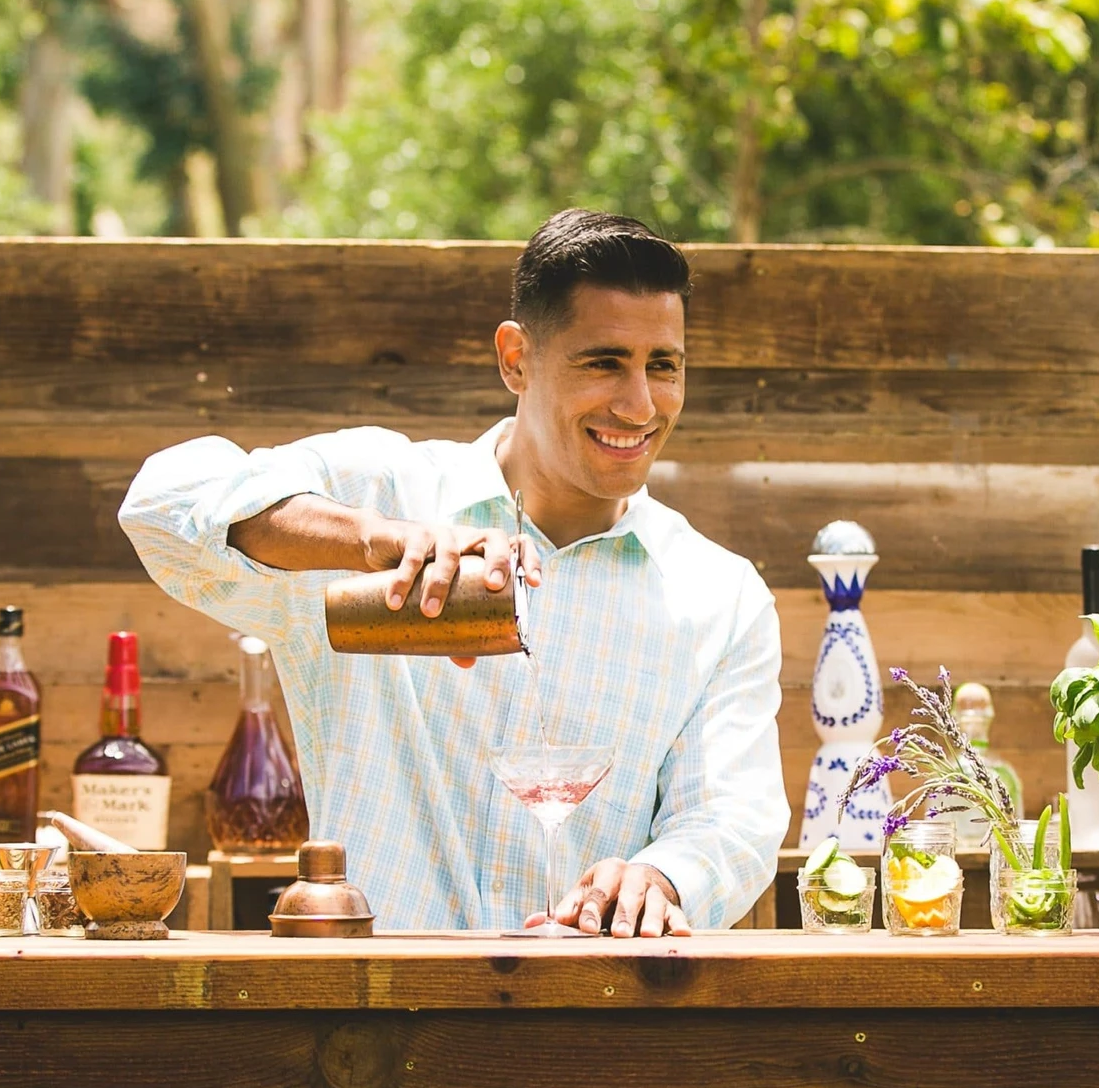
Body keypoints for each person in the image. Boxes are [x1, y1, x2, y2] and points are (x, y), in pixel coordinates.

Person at [120, 210, 787, 935]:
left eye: (664, 365)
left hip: (597, 1024)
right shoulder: (384, 492)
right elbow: (162, 502)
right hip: (374, 1023)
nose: (640, 404)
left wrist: (661, 877)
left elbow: (731, 815)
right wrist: (368, 538)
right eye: (603, 362)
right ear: (515, 360)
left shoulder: (720, 596)